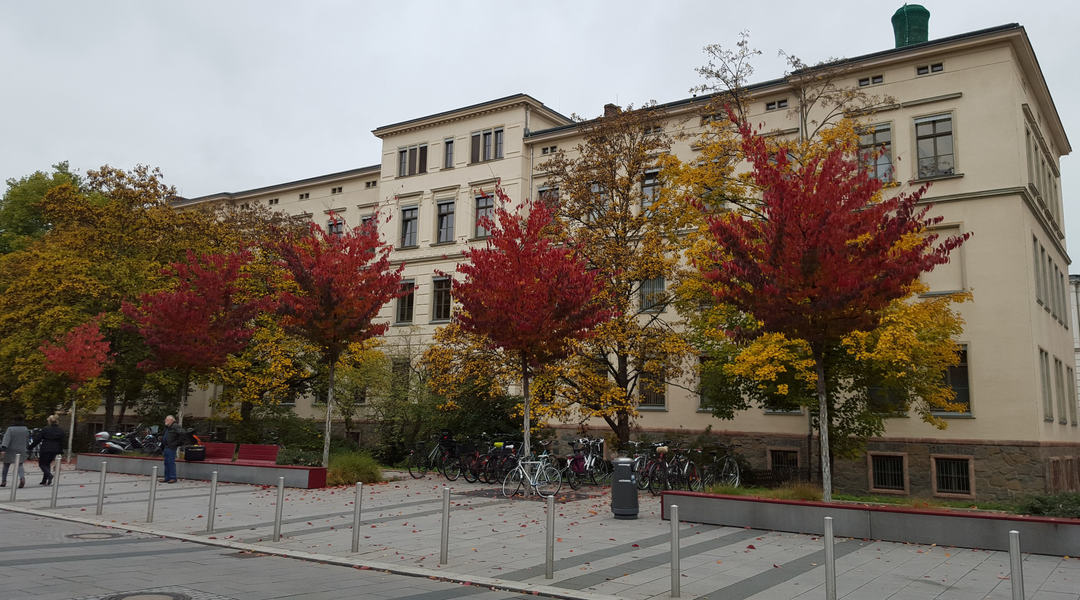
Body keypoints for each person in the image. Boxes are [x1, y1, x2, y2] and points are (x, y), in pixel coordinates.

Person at [28, 415, 66, 485]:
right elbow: (62, 441)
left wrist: (30, 447)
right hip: (55, 449)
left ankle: (49, 475)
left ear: (49, 421)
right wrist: (60, 450)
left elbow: (38, 439)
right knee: (47, 463)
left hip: (46, 448)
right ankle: (44, 480)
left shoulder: (46, 429)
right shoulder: (60, 430)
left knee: (42, 464)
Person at [1, 414, 30, 488]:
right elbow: (27, 439)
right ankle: (22, 478)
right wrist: (26, 447)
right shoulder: (25, 429)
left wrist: (4, 448)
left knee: (6, 465)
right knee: (19, 464)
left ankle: (4, 481)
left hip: (10, 449)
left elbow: (6, 439)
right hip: (21, 449)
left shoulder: (10, 429)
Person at [162, 415, 181, 483]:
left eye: (167, 419)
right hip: (166, 447)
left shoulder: (175, 426)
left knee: (171, 462)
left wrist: (176, 443)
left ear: (171, 420)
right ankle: (167, 477)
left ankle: (173, 477)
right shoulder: (168, 428)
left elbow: (182, 434)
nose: (165, 421)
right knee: (166, 463)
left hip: (171, 447)